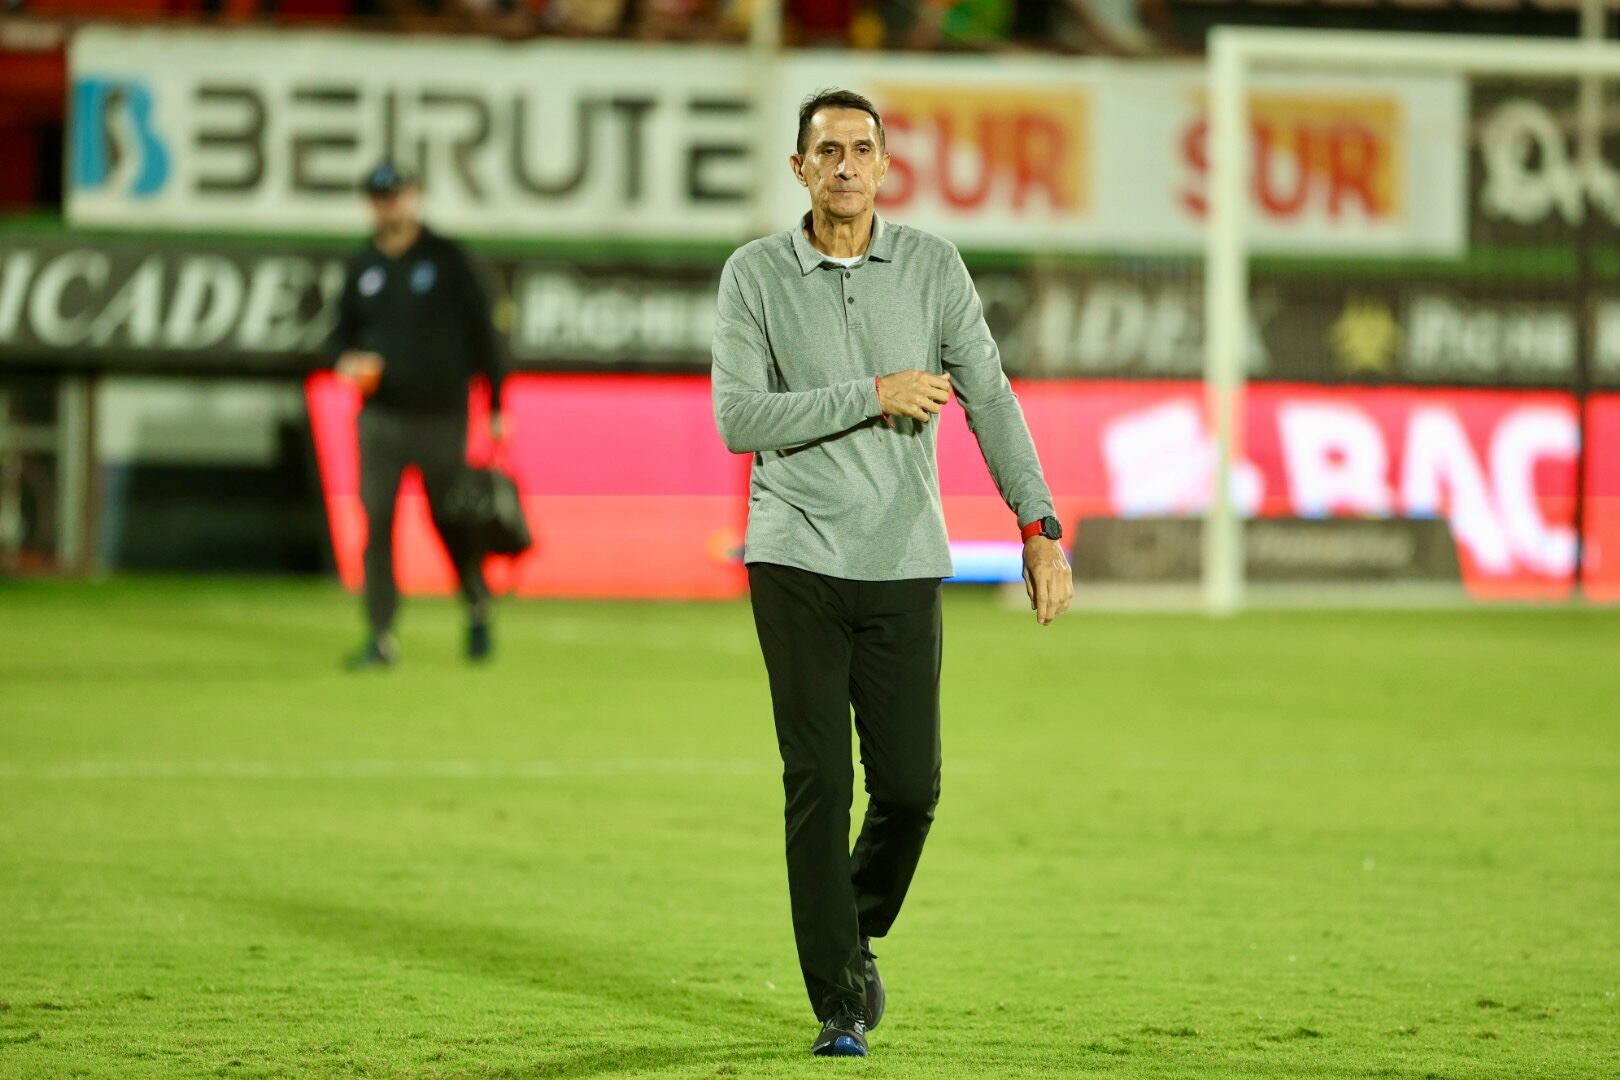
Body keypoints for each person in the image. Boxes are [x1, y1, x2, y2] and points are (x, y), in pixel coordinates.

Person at [710, 88, 1072, 1058]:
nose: (845, 166)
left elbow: (990, 397)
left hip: (903, 557)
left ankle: (852, 927)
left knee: (910, 789)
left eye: (861, 149)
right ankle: (839, 1002)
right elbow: (739, 418)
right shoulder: (754, 275)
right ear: (798, 169)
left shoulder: (932, 267)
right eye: (827, 150)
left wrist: (1038, 525)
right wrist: (872, 395)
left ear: (883, 165)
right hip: (793, 554)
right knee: (819, 779)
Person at [330, 161, 506, 670]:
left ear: (414, 196)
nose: (388, 205)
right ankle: (380, 634)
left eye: (396, 194)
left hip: (440, 416)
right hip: (381, 417)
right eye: (379, 197)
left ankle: (475, 600)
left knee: (448, 518)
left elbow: (484, 333)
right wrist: (347, 361)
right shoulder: (363, 265)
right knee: (377, 521)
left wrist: (496, 403)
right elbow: (338, 336)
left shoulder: (448, 258)